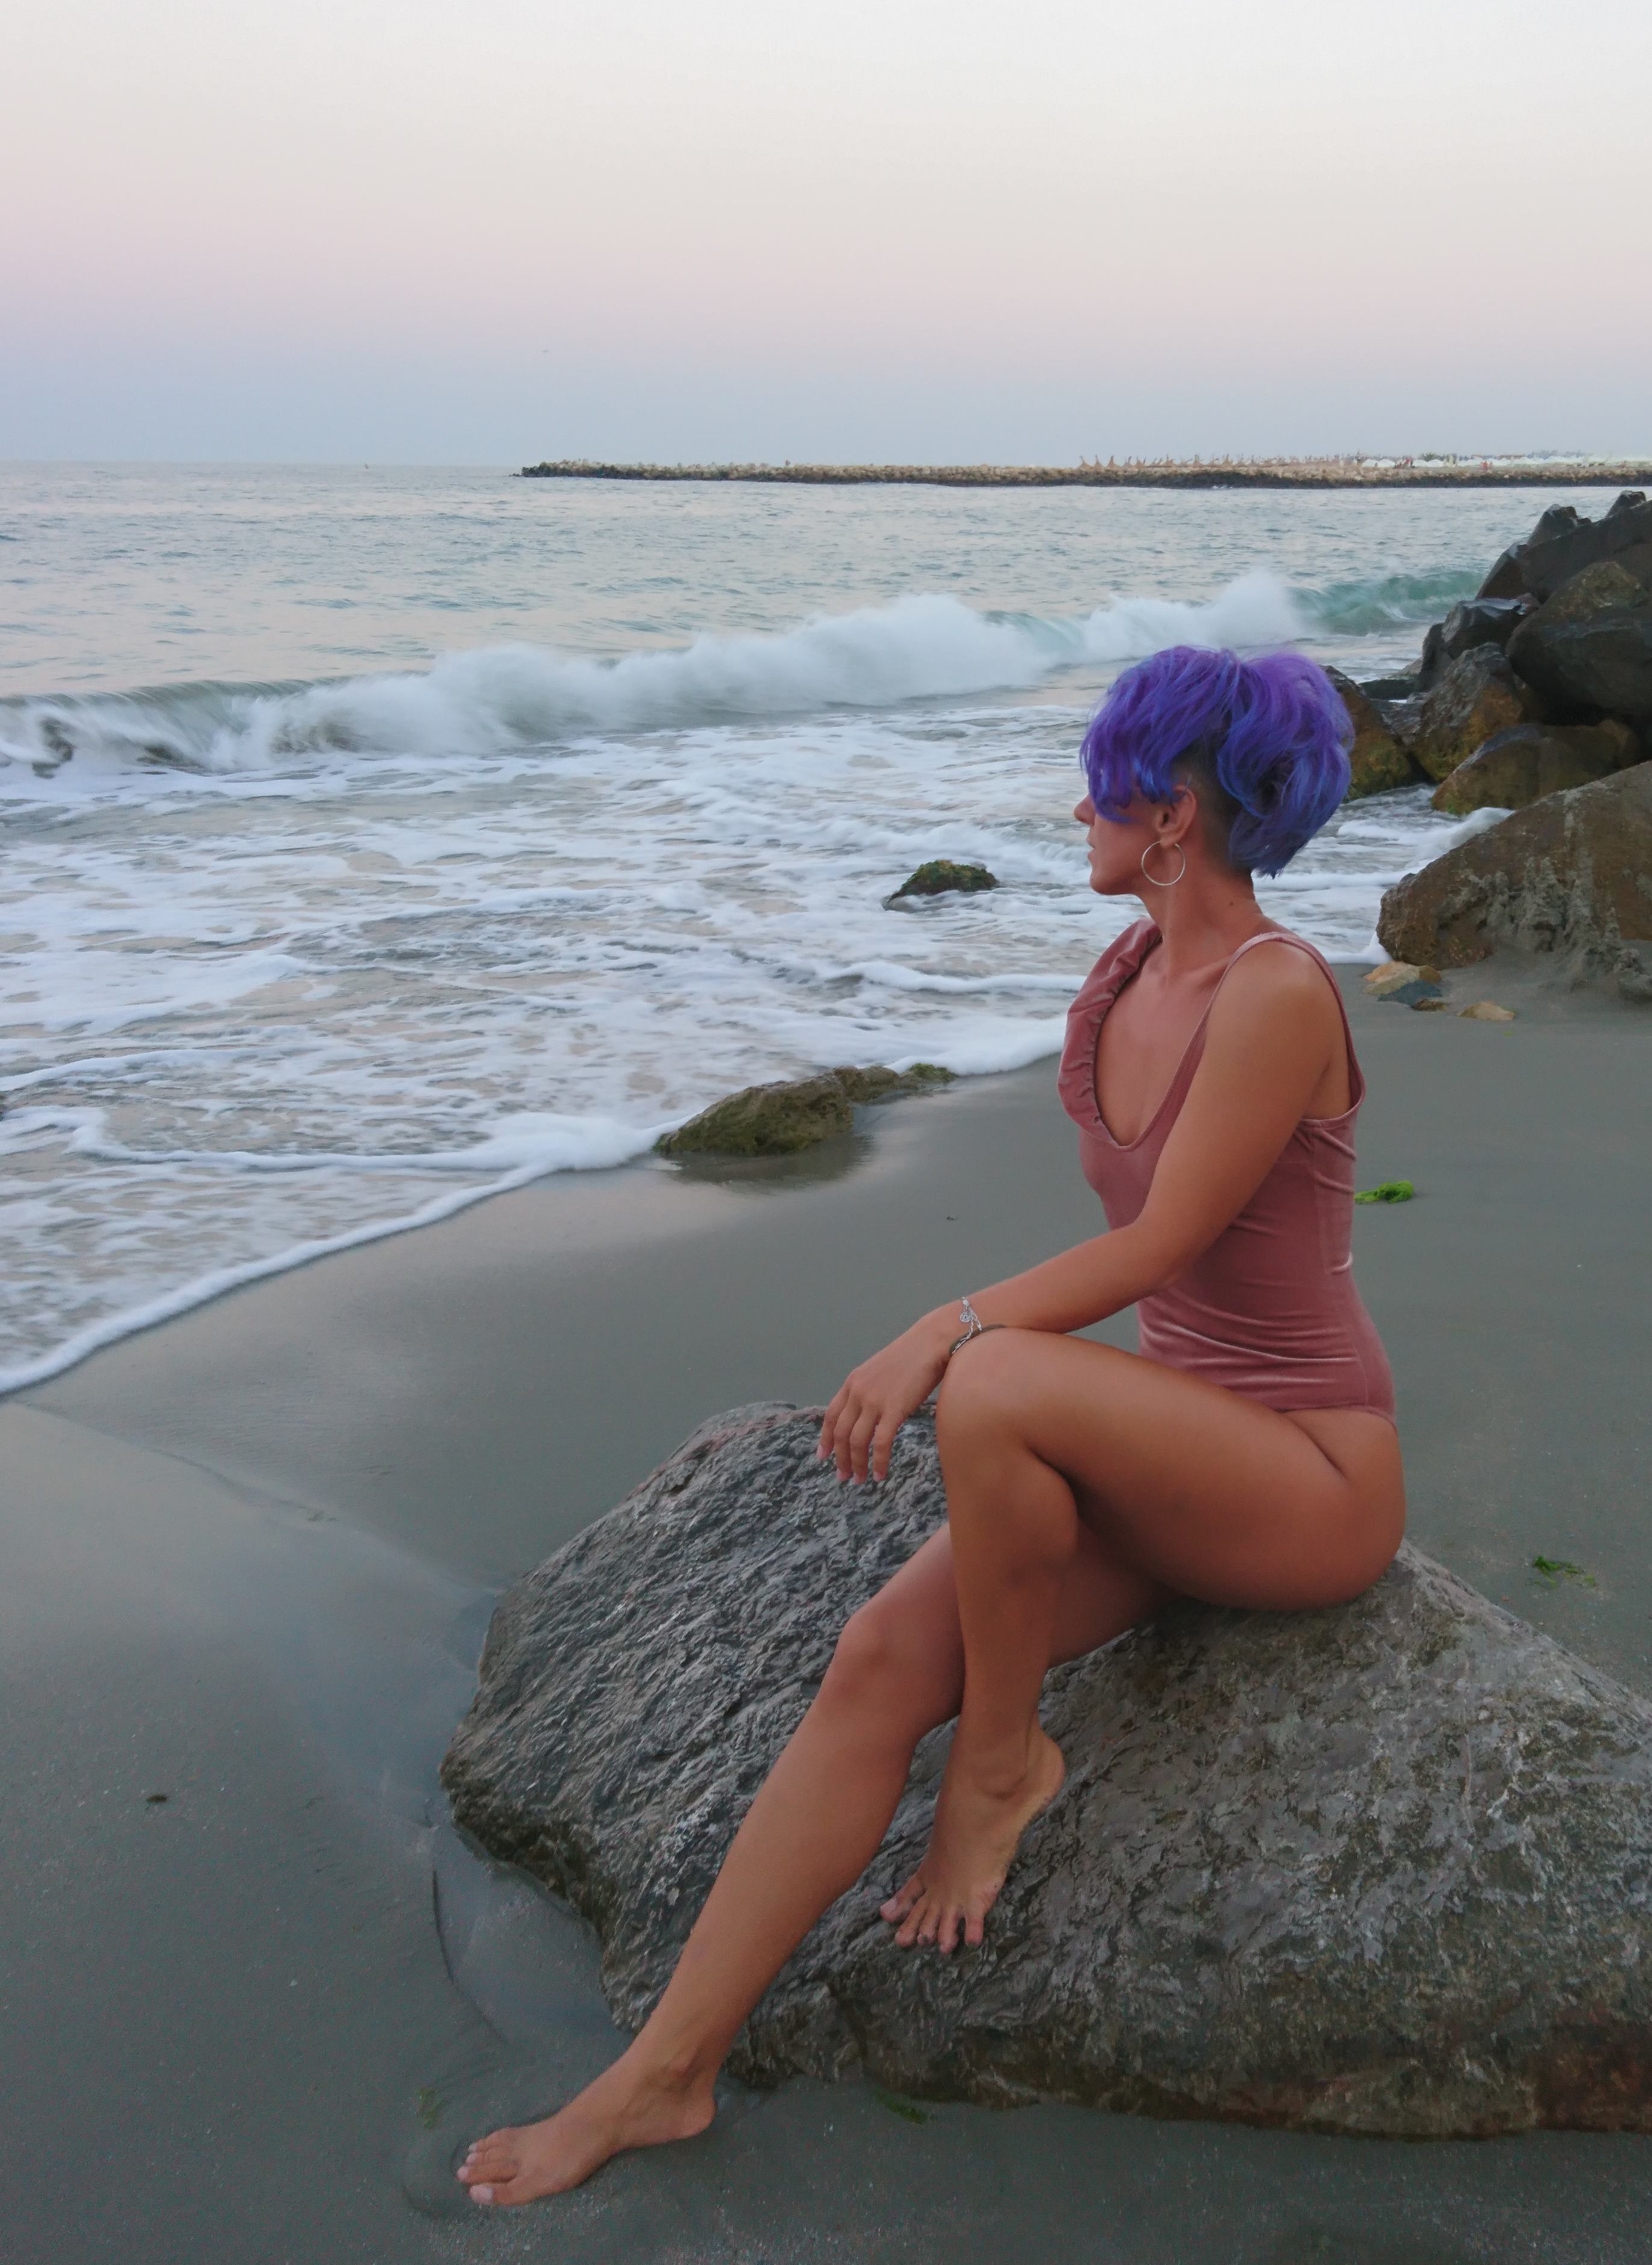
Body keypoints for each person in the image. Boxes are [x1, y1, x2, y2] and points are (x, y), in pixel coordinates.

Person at [458, 643, 1402, 2207]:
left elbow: (1161, 1247)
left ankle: (998, 1768)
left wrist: (943, 1325)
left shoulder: (1277, 990)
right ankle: (663, 2078)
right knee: (879, 1657)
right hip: (1174, 1448)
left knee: (1003, 1377)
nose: (1079, 807)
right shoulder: (1121, 979)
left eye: (1105, 782)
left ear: (1173, 811)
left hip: (1307, 1473)